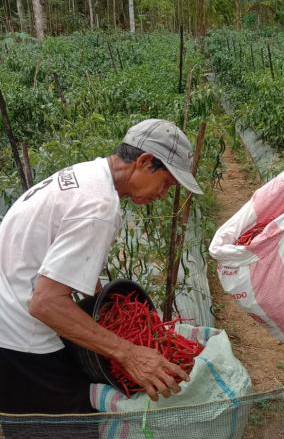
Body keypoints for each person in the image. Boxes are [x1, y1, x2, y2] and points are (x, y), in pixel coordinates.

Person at [0, 119, 203, 420]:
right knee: (67, 423)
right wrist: (129, 352)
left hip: (8, 311)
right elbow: (44, 303)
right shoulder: (99, 207)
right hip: (18, 334)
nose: (163, 193)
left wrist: (103, 306)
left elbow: (63, 263)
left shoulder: (87, 174)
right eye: (167, 182)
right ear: (145, 162)